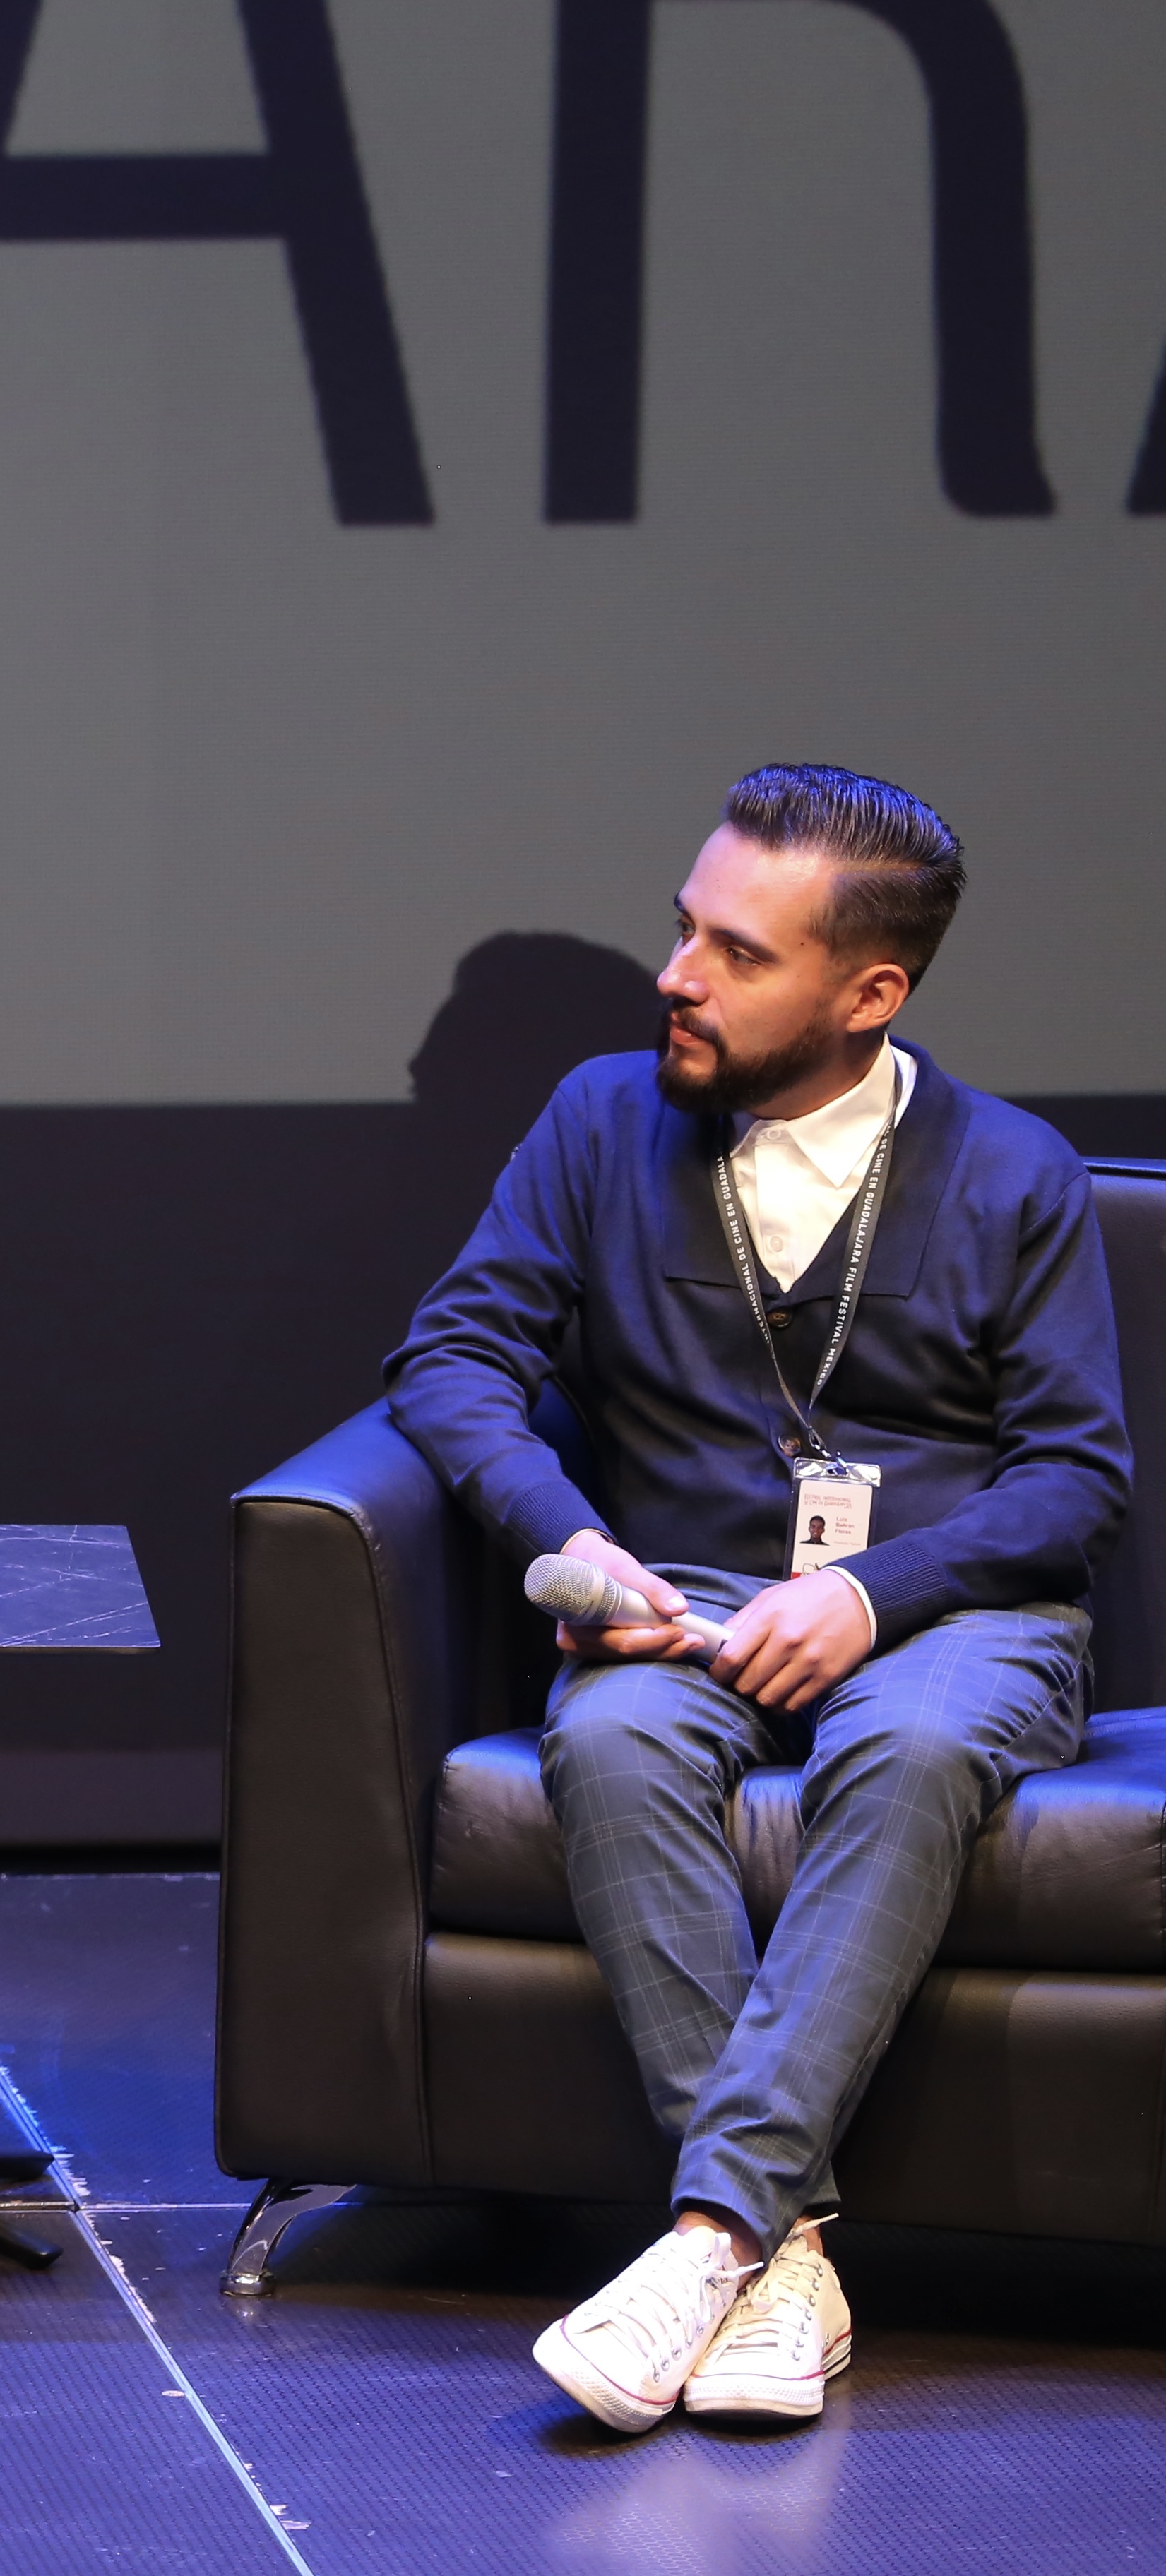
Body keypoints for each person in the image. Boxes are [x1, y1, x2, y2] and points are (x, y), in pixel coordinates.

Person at [388, 764, 1125, 2435]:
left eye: (738, 952)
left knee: (911, 1756)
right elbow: (454, 1358)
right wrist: (577, 1548)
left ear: (870, 994)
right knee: (612, 1743)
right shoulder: (601, 1122)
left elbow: (1075, 1479)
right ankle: (787, 2264)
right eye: (684, 929)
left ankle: (712, 2233)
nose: (678, 976)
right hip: (683, 1603)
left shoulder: (1013, 1171)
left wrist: (871, 1593)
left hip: (950, 1616)